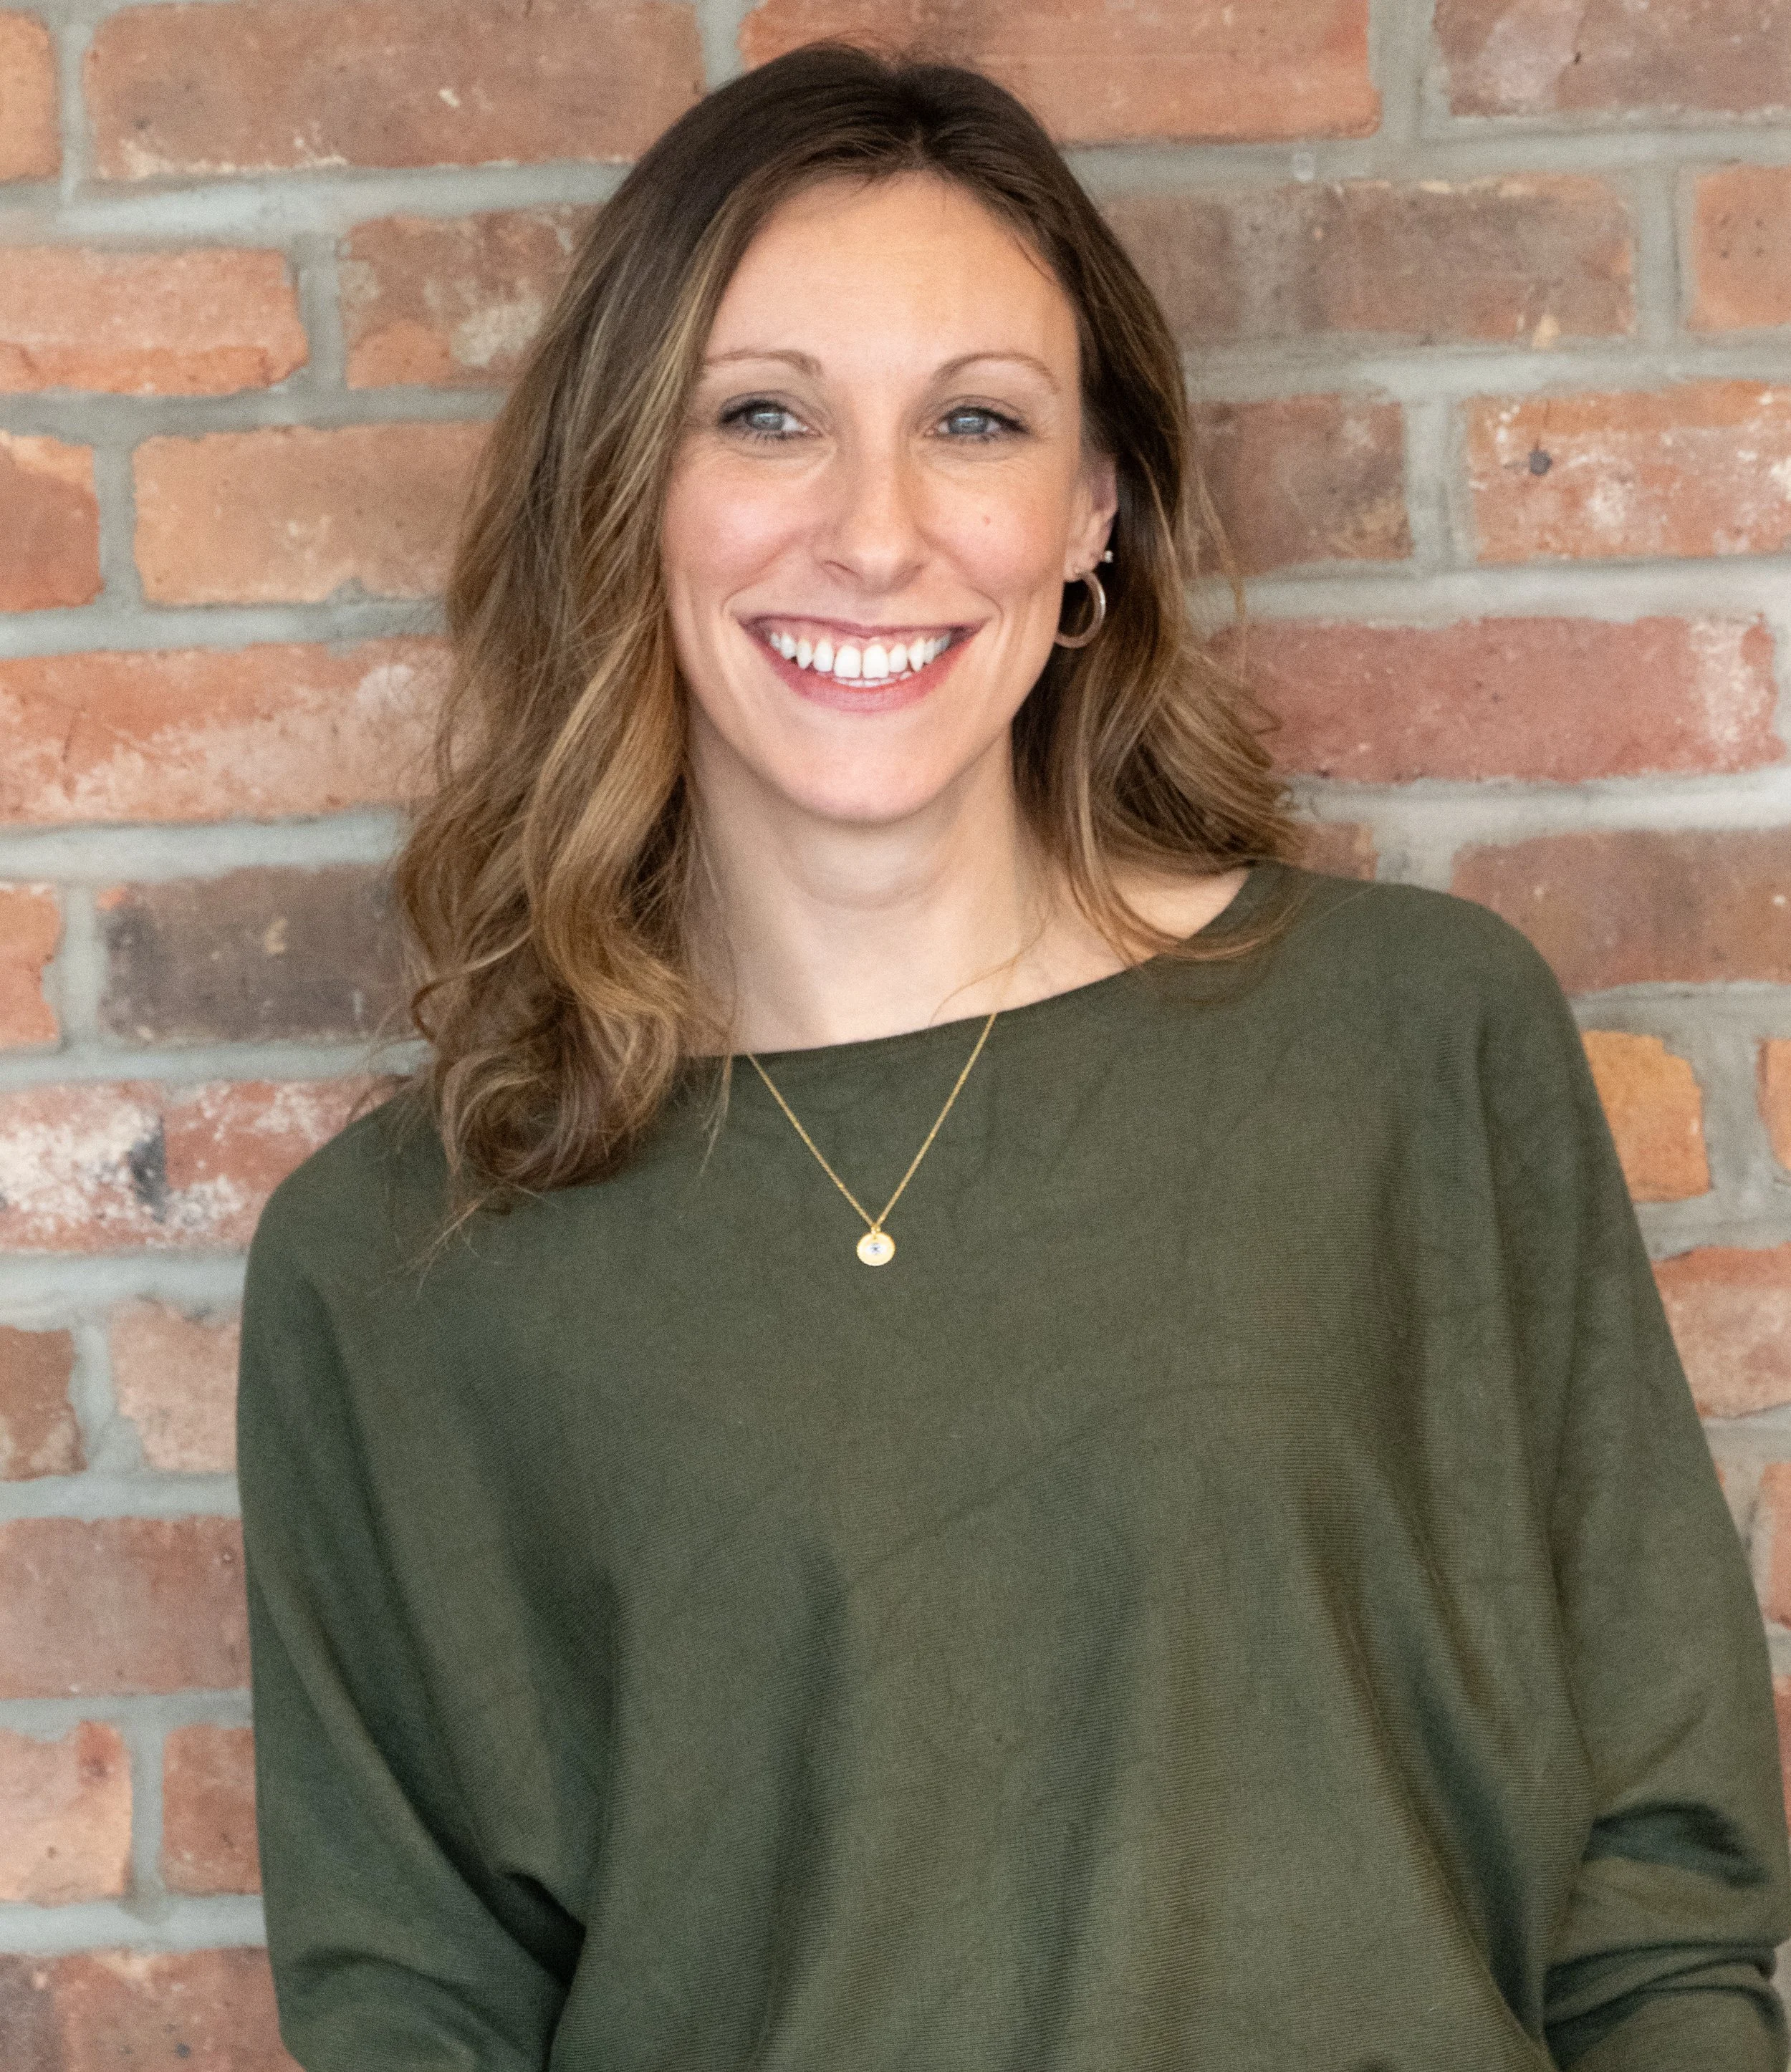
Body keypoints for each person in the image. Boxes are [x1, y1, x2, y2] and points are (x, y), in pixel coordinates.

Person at [236, 42, 1791, 2071]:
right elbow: (415, 2011)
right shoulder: (401, 1264)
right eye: (766, 415)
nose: (875, 533)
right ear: (627, 492)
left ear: (1090, 512)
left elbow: (1659, 1896)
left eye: (973, 421)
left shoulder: (1407, 1046)